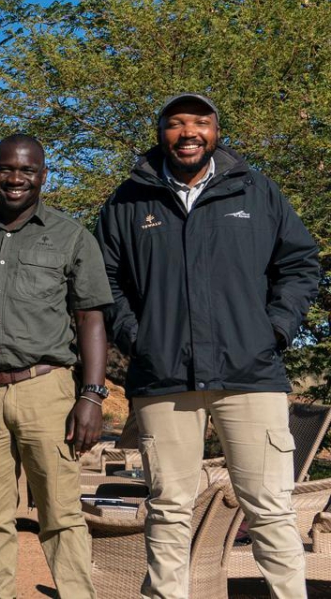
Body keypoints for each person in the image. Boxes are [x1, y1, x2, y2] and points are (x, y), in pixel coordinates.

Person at [95, 94, 319, 599]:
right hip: (164, 376)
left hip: (250, 372)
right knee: (169, 507)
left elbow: (301, 265)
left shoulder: (256, 191)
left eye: (200, 122)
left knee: (269, 507)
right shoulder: (130, 200)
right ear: (161, 132)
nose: (188, 132)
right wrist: (138, 338)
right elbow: (103, 280)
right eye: (176, 123)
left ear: (217, 131)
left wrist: (276, 330)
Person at [0, 134, 110, 599]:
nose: (15, 179)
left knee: (60, 512)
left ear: (42, 175)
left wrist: (91, 396)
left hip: (46, 389)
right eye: (6, 169)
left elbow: (91, 318)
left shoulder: (71, 236)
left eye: (27, 170)